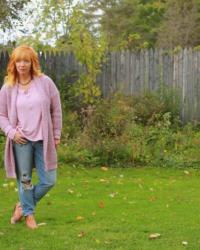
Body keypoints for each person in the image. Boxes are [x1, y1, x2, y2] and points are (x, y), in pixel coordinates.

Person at [0, 45, 62, 229]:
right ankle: (29, 215)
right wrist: (12, 132)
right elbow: (1, 115)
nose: (22, 64)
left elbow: (56, 110)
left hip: (44, 139)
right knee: (25, 179)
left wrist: (56, 134)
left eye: (26, 60)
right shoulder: (8, 87)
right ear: (13, 63)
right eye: (18, 60)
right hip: (21, 141)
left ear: (32, 62)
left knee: (49, 180)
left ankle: (22, 206)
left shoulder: (45, 82)